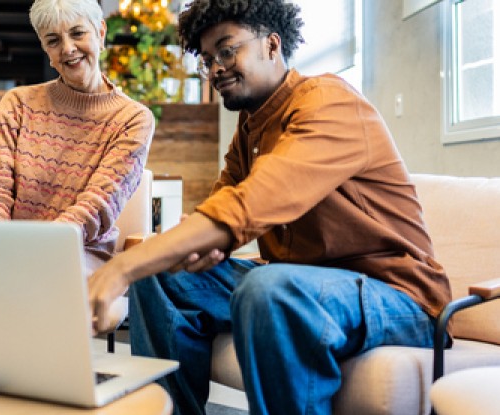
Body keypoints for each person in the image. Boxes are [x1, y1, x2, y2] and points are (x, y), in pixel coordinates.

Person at [87, 1, 452, 414]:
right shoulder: (249, 130)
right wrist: (190, 246)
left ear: (272, 45)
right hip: (305, 286)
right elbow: (219, 209)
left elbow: (248, 204)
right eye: (208, 60)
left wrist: (120, 267)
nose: (217, 69)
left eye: (227, 51)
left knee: (270, 289)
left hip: (400, 299)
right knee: (161, 276)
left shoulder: (328, 102)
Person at [0, 0, 154, 277]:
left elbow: (95, 207)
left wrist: (36, 251)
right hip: (11, 253)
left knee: (41, 280)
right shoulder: (17, 105)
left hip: (82, 256)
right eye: (54, 40)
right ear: (46, 50)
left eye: (78, 33)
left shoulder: (133, 119)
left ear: (100, 33)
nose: (67, 48)